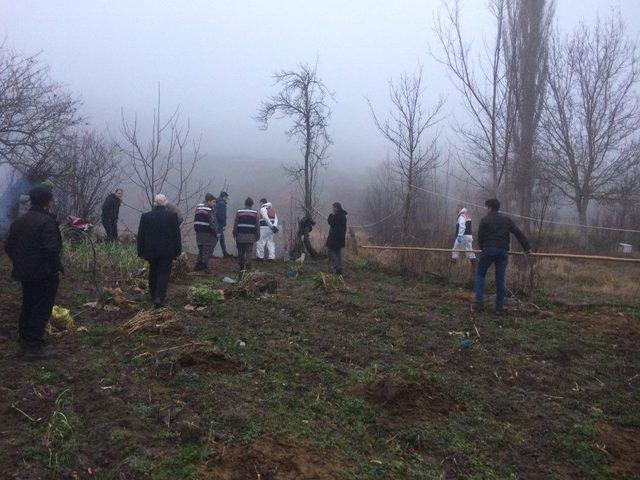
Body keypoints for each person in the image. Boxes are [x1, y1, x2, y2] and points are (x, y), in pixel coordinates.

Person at [5, 185, 63, 358]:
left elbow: (8, 246)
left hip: (24, 272)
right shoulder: (47, 222)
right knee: (41, 308)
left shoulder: (20, 221)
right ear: (48, 203)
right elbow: (51, 250)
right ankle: (34, 346)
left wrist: (20, 261)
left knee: (28, 305)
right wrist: (56, 268)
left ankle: (24, 340)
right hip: (44, 274)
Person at [474, 198, 531, 313]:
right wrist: (527, 248)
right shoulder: (506, 220)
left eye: (486, 207)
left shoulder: (485, 220)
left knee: (480, 275)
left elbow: (480, 237)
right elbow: (517, 232)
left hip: (488, 249)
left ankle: (479, 304)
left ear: (490, 207)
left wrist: (483, 248)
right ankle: (499, 308)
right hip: (502, 252)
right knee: (500, 279)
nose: (485, 209)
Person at [137, 194, 182, 308]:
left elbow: (141, 235)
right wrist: (178, 250)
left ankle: (153, 295)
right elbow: (177, 235)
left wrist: (141, 251)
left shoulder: (146, 216)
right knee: (164, 273)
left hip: (151, 251)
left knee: (153, 272)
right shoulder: (172, 216)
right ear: (165, 203)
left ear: (154, 203)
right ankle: (159, 297)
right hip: (167, 251)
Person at [232, 197, 260, 271]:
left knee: (240, 251)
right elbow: (257, 226)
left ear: (245, 203)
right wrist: (257, 236)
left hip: (240, 235)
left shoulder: (239, 211)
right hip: (250, 236)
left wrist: (234, 233)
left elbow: (235, 224)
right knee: (249, 251)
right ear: (252, 204)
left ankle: (241, 266)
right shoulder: (255, 212)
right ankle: (248, 265)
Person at [193, 193, 217, 272]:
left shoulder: (198, 207)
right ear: (209, 201)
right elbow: (212, 222)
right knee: (206, 250)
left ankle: (197, 265)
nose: (214, 204)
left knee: (201, 249)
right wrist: (215, 232)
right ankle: (204, 266)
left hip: (198, 231)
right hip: (207, 232)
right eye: (213, 202)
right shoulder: (209, 209)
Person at [451, 206, 477, 275]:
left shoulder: (461, 216)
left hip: (463, 236)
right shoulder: (466, 215)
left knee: (455, 250)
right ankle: (474, 270)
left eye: (456, 208)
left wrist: (460, 235)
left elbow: (462, 226)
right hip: (468, 236)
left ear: (459, 208)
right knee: (470, 251)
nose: (455, 210)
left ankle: (452, 269)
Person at [326, 202, 348, 275]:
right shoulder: (343, 216)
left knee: (331, 251)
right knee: (338, 253)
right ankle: (339, 268)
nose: (332, 209)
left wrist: (330, 215)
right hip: (341, 238)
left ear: (336, 208)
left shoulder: (336, 216)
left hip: (334, 238)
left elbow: (330, 222)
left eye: (333, 207)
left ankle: (336, 267)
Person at [213, 191, 231, 258]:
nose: (227, 199)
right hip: (219, 224)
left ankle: (225, 253)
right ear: (224, 197)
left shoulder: (216, 202)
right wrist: (224, 224)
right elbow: (221, 215)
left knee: (221, 238)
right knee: (217, 238)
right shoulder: (222, 204)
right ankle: (210, 252)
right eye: (226, 198)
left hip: (215, 222)